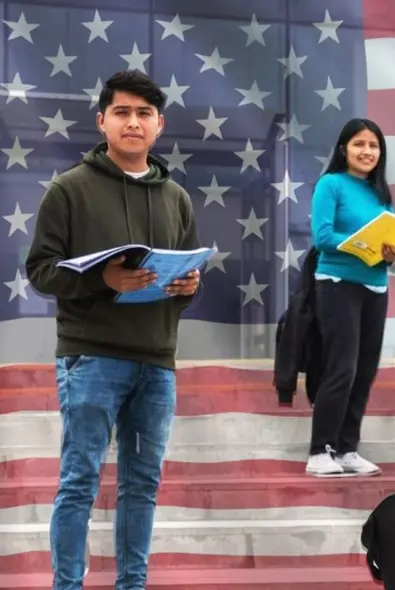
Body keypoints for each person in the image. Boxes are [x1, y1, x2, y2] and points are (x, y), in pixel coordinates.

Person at [24, 69, 202, 590]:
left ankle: (132, 585)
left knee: (142, 487)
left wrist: (188, 285)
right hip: (90, 357)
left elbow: (191, 282)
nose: (133, 122)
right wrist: (103, 278)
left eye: (144, 113)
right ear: (102, 121)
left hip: (157, 363)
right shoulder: (68, 189)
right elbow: (40, 271)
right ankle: (66, 585)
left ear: (159, 125)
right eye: (122, 112)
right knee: (79, 483)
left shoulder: (178, 198)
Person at [306, 118, 395, 477]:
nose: (367, 152)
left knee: (364, 371)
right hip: (337, 284)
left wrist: (393, 254)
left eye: (374, 146)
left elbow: (389, 253)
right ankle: (320, 450)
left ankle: (347, 449)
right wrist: (363, 245)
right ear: (344, 148)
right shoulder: (330, 184)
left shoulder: (381, 194)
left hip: (375, 287)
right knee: (342, 369)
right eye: (360, 144)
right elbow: (322, 237)